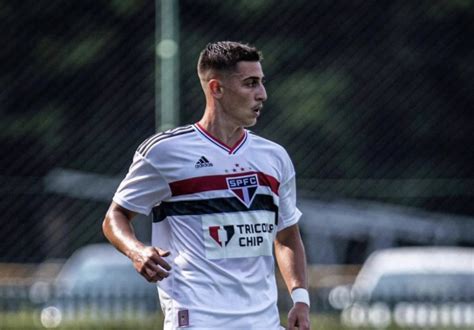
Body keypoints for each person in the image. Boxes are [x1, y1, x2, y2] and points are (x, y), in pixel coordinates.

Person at [103, 41, 310, 330]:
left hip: (264, 323)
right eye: (250, 84)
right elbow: (115, 217)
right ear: (216, 89)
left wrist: (300, 299)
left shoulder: (274, 158)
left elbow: (286, 236)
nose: (262, 94)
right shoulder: (165, 152)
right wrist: (137, 250)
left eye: (261, 83)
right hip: (196, 321)